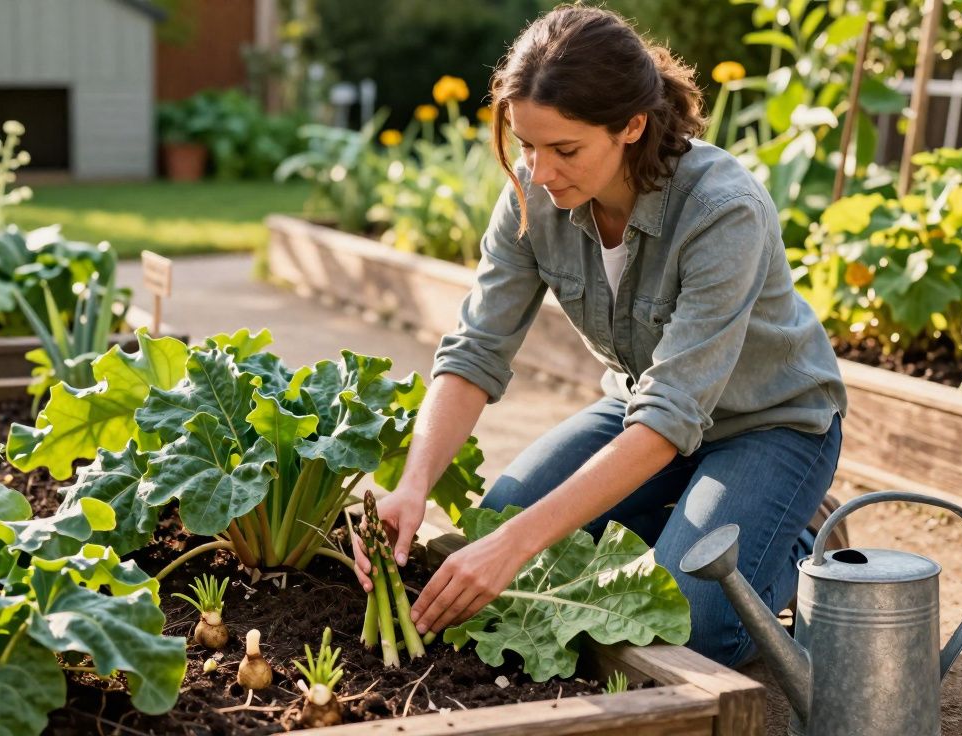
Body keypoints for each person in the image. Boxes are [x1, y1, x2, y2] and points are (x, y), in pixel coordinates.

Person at [350, 4, 848, 668]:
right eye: (527, 144)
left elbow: (673, 416)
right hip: (642, 411)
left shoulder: (724, 210)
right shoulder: (533, 193)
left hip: (768, 424)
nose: (540, 169)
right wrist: (412, 484)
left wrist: (520, 546)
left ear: (631, 126)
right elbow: (475, 349)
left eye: (565, 149)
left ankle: (797, 539)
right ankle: (688, 518)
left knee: (692, 627)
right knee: (499, 524)